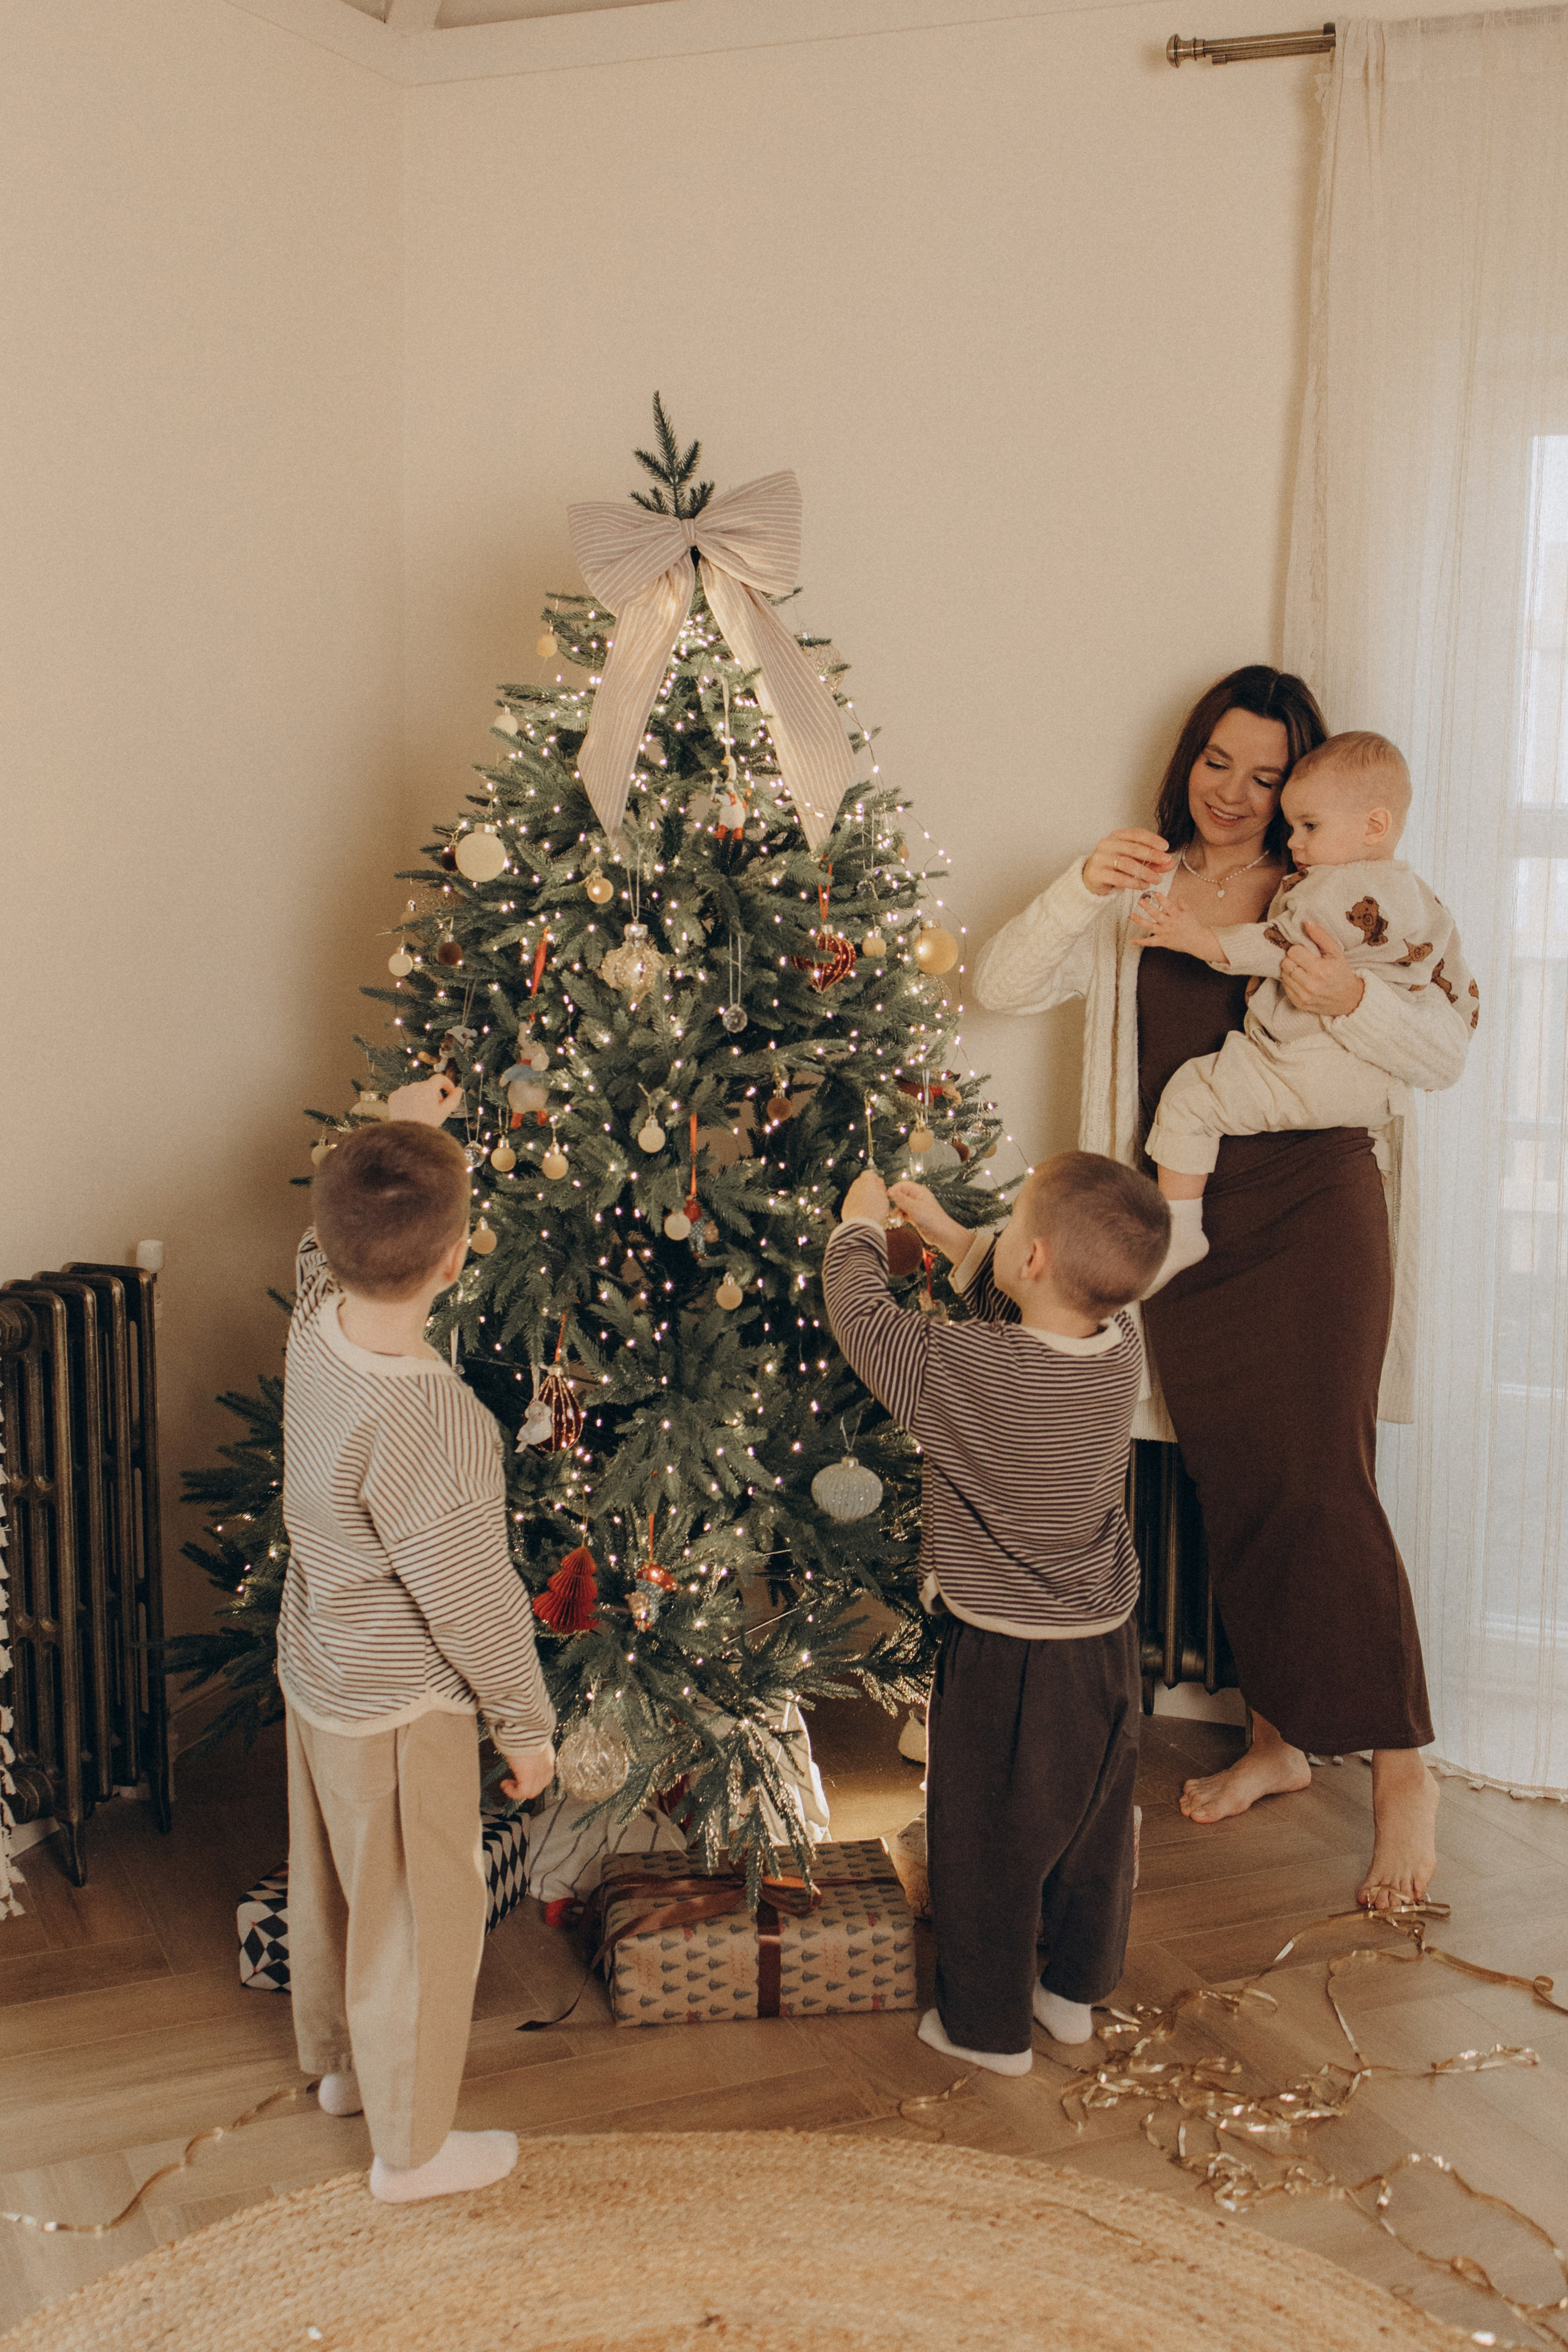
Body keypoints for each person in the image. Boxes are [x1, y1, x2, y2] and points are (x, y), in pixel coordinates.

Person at [973, 666, 1474, 1912]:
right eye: (1219, 764)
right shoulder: (1139, 889)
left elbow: (1443, 1051)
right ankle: (1277, 1737)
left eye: (1268, 778)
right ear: (1186, 758)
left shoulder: (1347, 899)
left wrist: (1348, 996)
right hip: (1177, 1222)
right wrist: (1074, 885)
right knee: (1234, 1479)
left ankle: (1403, 1764)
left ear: (1308, 792)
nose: (1239, 797)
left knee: (1320, 1478)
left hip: (1312, 1207)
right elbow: (995, 988)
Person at [823, 1153, 1169, 2075]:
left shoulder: (965, 1368)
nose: (1004, 1236)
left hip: (1005, 1654)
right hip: (1105, 1644)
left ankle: (984, 2028)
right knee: (1094, 1829)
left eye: (1013, 1226)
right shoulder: (1121, 1345)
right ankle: (1071, 1994)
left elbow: (864, 1323)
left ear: (1036, 1261)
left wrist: (860, 1229)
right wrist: (951, 1236)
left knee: (983, 1840)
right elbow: (1037, 1311)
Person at [277, 1071, 557, 2204]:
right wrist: (527, 1728)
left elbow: (321, 1239)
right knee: (420, 1925)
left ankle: (346, 2069)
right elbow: (474, 1597)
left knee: (337, 1886)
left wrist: (400, 1133)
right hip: (401, 1710)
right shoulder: (429, 1415)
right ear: (457, 1260)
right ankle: (414, 2150)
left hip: (319, 1671)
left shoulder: (316, 1315)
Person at [1137, 731, 1476, 1286]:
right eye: (1293, 826)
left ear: (1375, 826)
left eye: (1310, 827)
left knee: (1191, 1098)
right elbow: (1456, 986)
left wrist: (1200, 938)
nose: (1295, 842)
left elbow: (1280, 942)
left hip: (1318, 1076)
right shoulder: (1420, 899)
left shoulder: (1336, 890)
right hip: (1363, 1088)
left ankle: (1179, 1231)